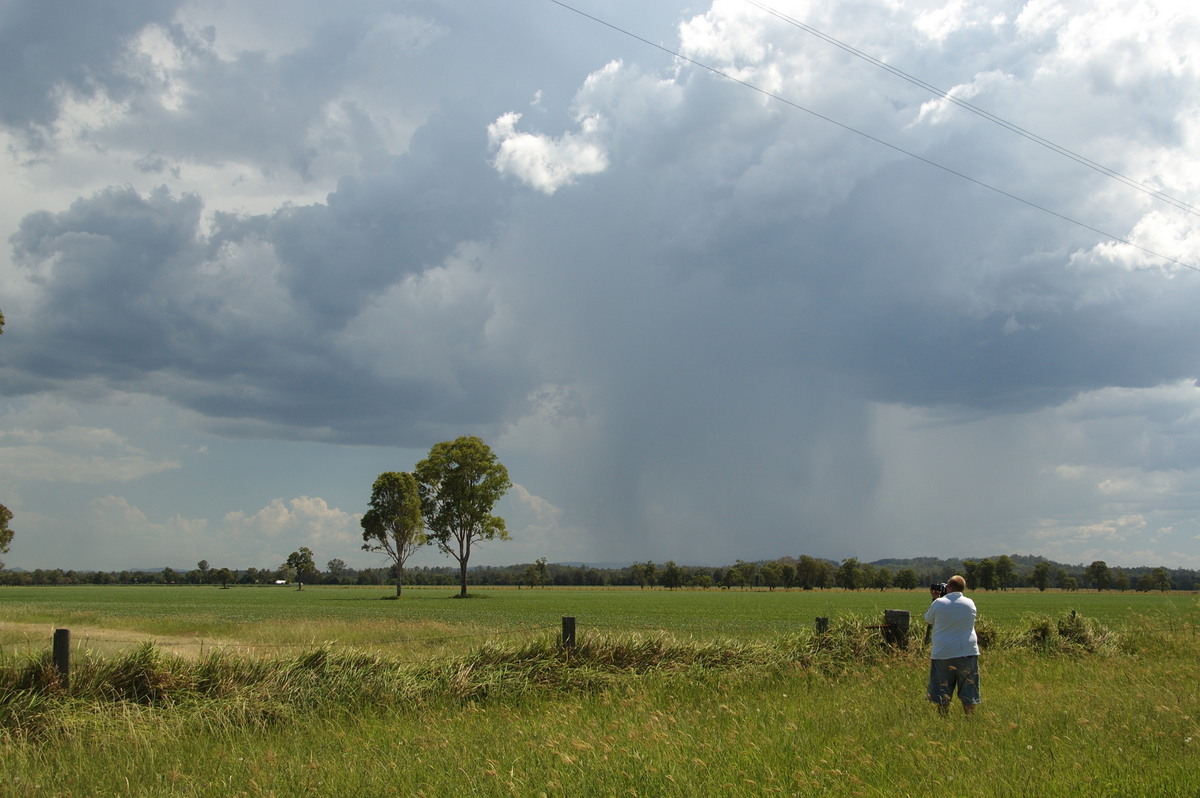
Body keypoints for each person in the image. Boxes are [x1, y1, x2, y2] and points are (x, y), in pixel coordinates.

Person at [924, 574, 980, 716]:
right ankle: (970, 718)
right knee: (968, 688)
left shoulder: (939, 603)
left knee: (943, 688)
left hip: (943, 652)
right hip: (967, 651)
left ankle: (943, 718)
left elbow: (928, 620)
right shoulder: (970, 603)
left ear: (948, 586)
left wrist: (935, 599)